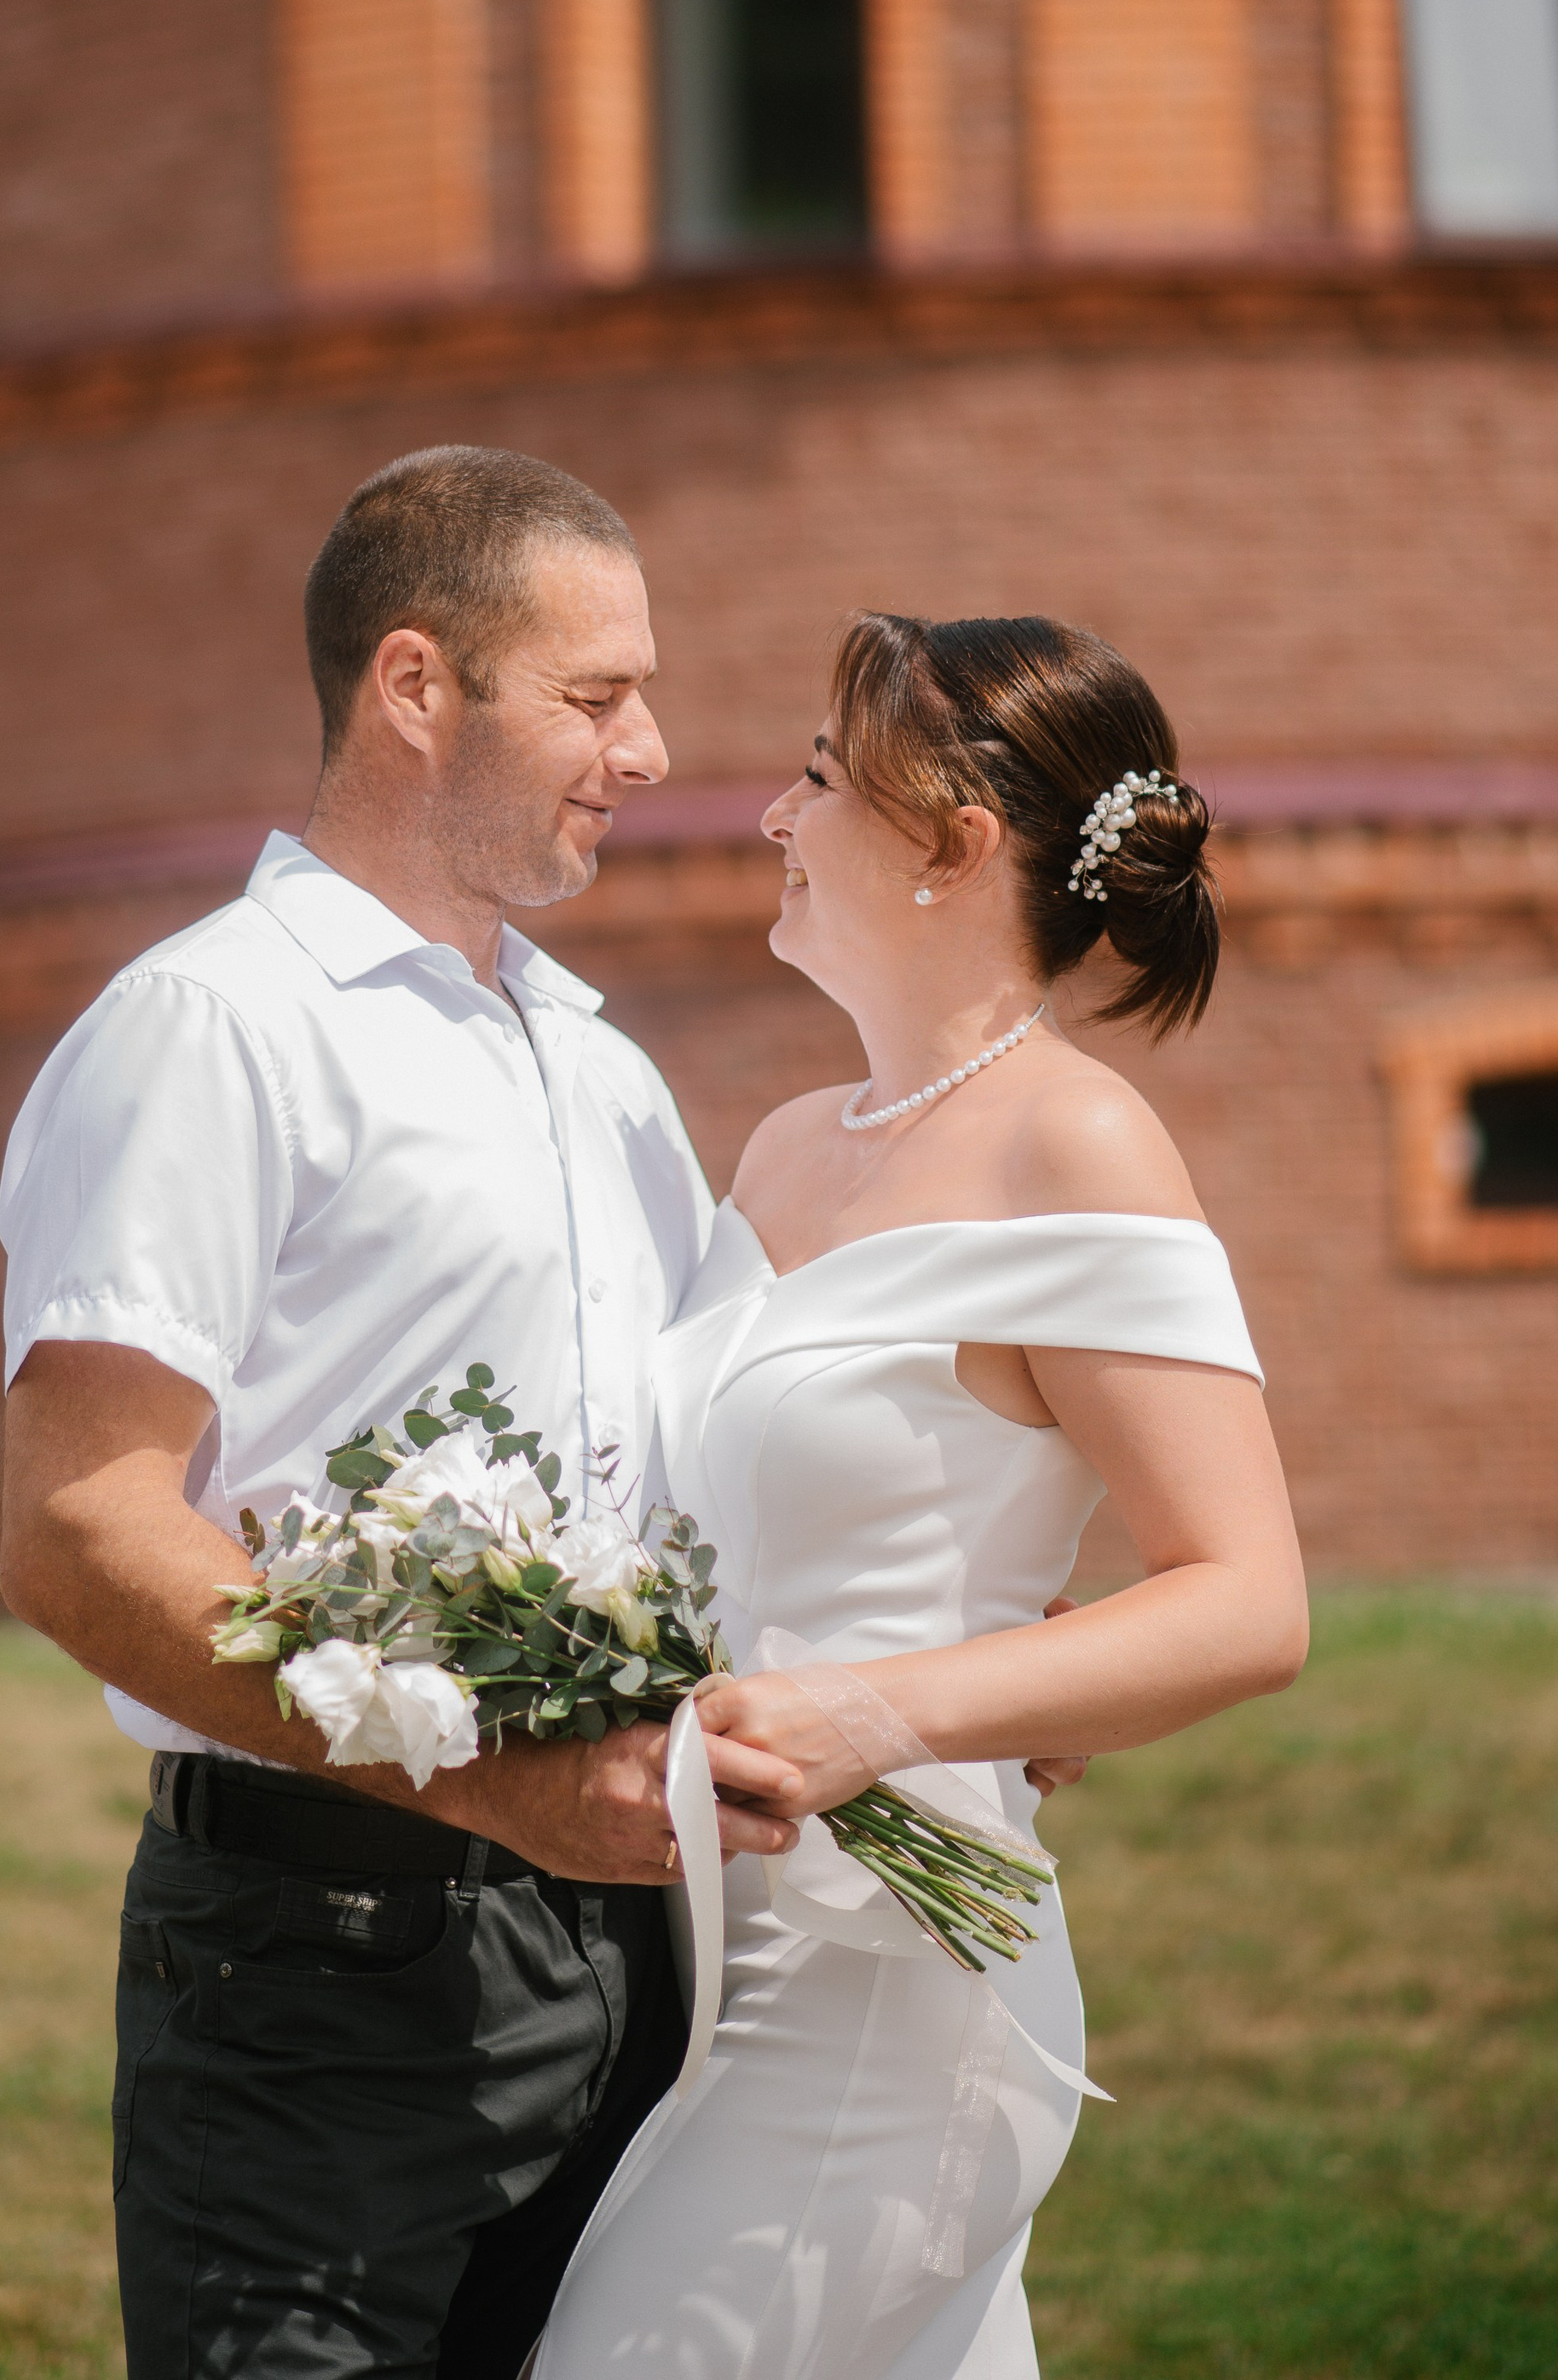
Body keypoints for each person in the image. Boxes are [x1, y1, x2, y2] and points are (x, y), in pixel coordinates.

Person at [0, 446, 810, 2380]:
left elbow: (707, 1463)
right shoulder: (212, 1028)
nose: (647, 751)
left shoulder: (603, 1069)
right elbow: (80, 1526)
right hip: (323, 1957)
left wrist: (948, 1663)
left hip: (634, 1956)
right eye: (595, 697)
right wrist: (490, 1784)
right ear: (417, 685)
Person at [533, 612, 1309, 2380]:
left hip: (888, 1985)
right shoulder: (785, 1142)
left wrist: (884, 1708)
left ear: (951, 845)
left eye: (817, 776)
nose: (771, 816)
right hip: (695, 1959)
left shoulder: (1074, 1140)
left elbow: (1246, 1597)